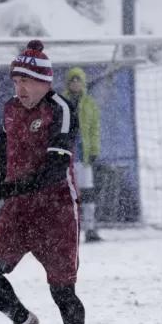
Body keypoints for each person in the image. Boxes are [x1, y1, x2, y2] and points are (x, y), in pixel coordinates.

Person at [0, 41, 91, 324]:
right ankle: (23, 320)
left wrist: (16, 185)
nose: (19, 88)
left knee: (62, 290)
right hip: (18, 210)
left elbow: (55, 168)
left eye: (26, 81)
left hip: (56, 212)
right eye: (15, 81)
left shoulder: (60, 109)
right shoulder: (11, 108)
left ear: (45, 82)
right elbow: (1, 146)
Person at [63, 66, 104, 243]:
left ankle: (90, 228)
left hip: (84, 155)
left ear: (83, 82)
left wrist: (94, 150)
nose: (75, 84)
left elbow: (95, 129)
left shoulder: (89, 104)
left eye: (78, 80)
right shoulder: (60, 102)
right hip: (67, 155)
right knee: (67, 195)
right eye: (72, 80)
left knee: (87, 193)